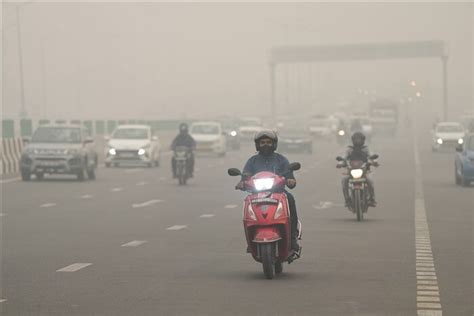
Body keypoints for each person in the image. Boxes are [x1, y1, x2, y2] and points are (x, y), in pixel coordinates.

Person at [235, 130, 300, 251]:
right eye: (262, 142)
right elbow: (245, 176)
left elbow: (290, 176)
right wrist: (242, 183)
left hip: (278, 192)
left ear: (274, 144)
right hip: (256, 194)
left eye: (268, 142)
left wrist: (291, 180)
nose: (265, 145)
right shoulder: (252, 161)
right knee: (246, 203)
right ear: (257, 145)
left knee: (290, 198)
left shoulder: (281, 160)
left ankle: (293, 237)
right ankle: (251, 237)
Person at [340, 132, 378, 207]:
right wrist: (341, 163)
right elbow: (344, 157)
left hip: (365, 171)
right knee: (344, 180)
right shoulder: (349, 149)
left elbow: (371, 155)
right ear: (353, 140)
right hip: (351, 172)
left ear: (363, 140)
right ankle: (347, 199)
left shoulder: (366, 149)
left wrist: (374, 162)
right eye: (356, 139)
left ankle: (372, 199)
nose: (358, 141)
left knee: (370, 181)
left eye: (359, 139)